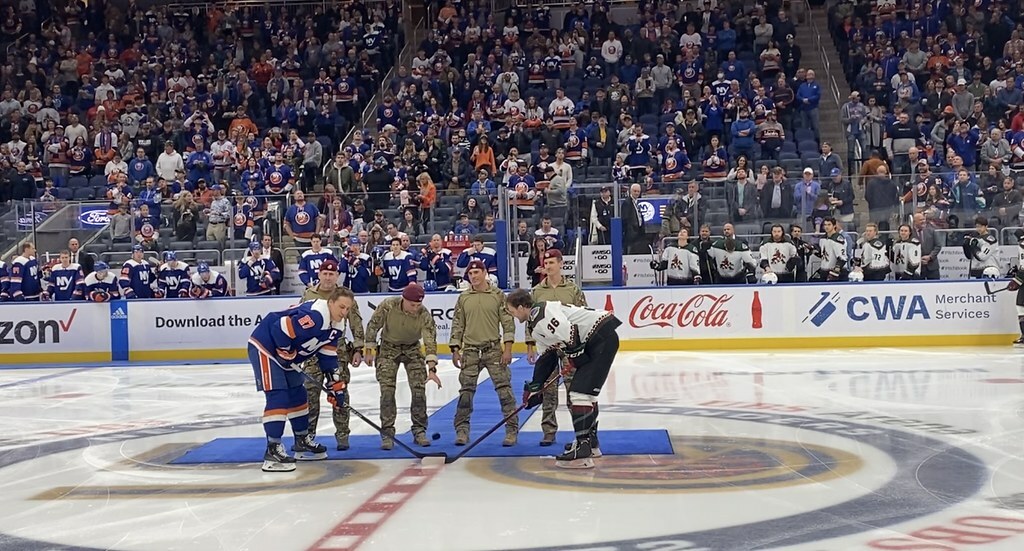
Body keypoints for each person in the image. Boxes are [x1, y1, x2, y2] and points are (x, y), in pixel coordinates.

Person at [506, 288, 622, 469]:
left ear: (521, 307)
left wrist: (576, 357)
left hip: (601, 337)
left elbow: (570, 331)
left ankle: (583, 450)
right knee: (586, 395)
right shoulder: (535, 326)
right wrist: (536, 387)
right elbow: (547, 357)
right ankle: (591, 444)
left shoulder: (541, 315)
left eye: (512, 311)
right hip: (597, 339)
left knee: (579, 394)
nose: (512, 315)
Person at [247, 287, 356, 472]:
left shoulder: (337, 326)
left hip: (288, 356)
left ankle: (301, 441)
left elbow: (327, 357)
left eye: (348, 309)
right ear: (331, 303)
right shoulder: (317, 316)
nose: (344, 312)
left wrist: (335, 385)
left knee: (298, 395)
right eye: (341, 307)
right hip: (265, 348)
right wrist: (285, 352)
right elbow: (279, 327)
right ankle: (272, 449)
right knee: (278, 396)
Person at [364, 283, 442, 449]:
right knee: (387, 391)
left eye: (418, 305)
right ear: (403, 299)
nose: (415, 308)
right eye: (412, 305)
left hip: (412, 348)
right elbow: (373, 325)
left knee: (419, 389)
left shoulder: (424, 314)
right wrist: (369, 348)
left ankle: (419, 431)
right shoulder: (388, 305)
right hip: (388, 348)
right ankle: (387, 433)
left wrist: (432, 368)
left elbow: (430, 341)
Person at [298, 260, 365, 451]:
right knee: (310, 392)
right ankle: (307, 435)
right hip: (312, 351)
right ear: (319, 274)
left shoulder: (345, 295)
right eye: (324, 274)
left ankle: (342, 434)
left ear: (337, 276)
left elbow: (356, 322)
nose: (328, 278)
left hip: (338, 350)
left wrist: (359, 348)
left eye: (332, 274)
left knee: (339, 391)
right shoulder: (309, 294)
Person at [450, 260, 517, 446]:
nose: (473, 277)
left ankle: (511, 430)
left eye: (477, 273)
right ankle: (462, 430)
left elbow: (507, 322)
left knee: (505, 392)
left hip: (493, 349)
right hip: (470, 351)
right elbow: (458, 324)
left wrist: (508, 347)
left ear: (485, 273)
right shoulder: (464, 297)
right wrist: (455, 349)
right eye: (470, 274)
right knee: (465, 393)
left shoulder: (498, 296)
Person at [523, 249, 587, 446]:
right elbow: (530, 320)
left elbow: (583, 316)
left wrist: (583, 344)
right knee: (547, 389)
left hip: (569, 345)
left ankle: (581, 431)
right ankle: (549, 431)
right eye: (546, 262)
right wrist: (530, 344)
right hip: (547, 347)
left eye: (552, 262)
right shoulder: (536, 291)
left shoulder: (573, 290)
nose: (548, 266)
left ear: (561, 264)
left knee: (573, 390)